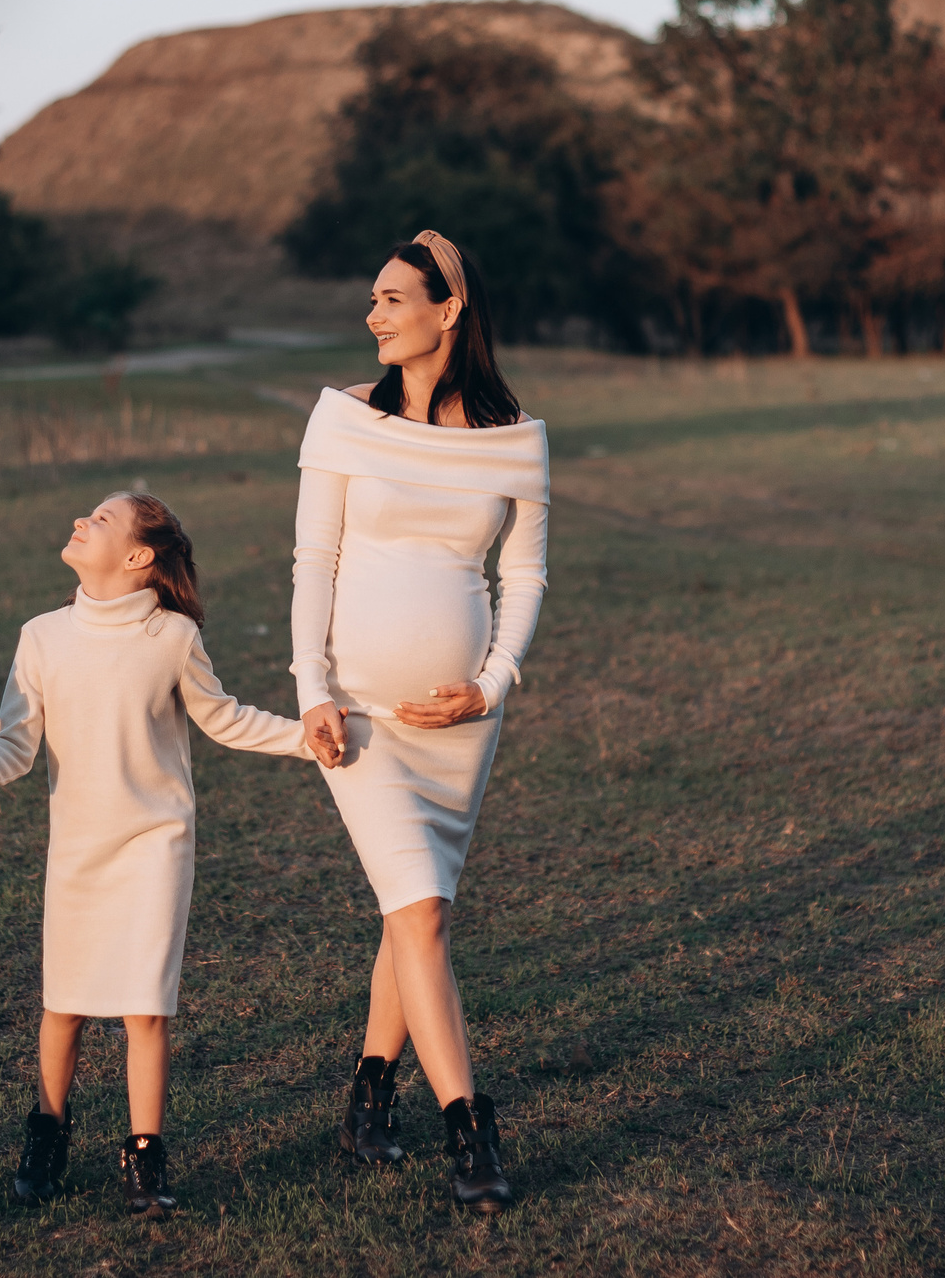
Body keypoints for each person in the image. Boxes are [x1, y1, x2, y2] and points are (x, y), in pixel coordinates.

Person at [0, 491, 315, 1218]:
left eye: (100, 519)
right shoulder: (41, 636)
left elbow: (224, 717)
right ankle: (47, 1135)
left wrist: (304, 735)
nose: (79, 521)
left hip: (156, 846)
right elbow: (16, 744)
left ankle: (144, 1158)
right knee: (63, 1006)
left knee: (144, 1008)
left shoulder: (172, 637)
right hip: (79, 852)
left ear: (136, 556)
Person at [293, 229, 549, 1212]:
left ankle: (368, 1085)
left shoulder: (513, 432)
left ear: (449, 310)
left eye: (394, 297)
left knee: (418, 907)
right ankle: (468, 1125)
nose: (373, 314)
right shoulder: (345, 417)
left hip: (461, 722)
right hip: (358, 709)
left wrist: (491, 682)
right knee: (421, 912)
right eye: (372, 298)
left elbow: (521, 572)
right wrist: (311, 684)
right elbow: (312, 561)